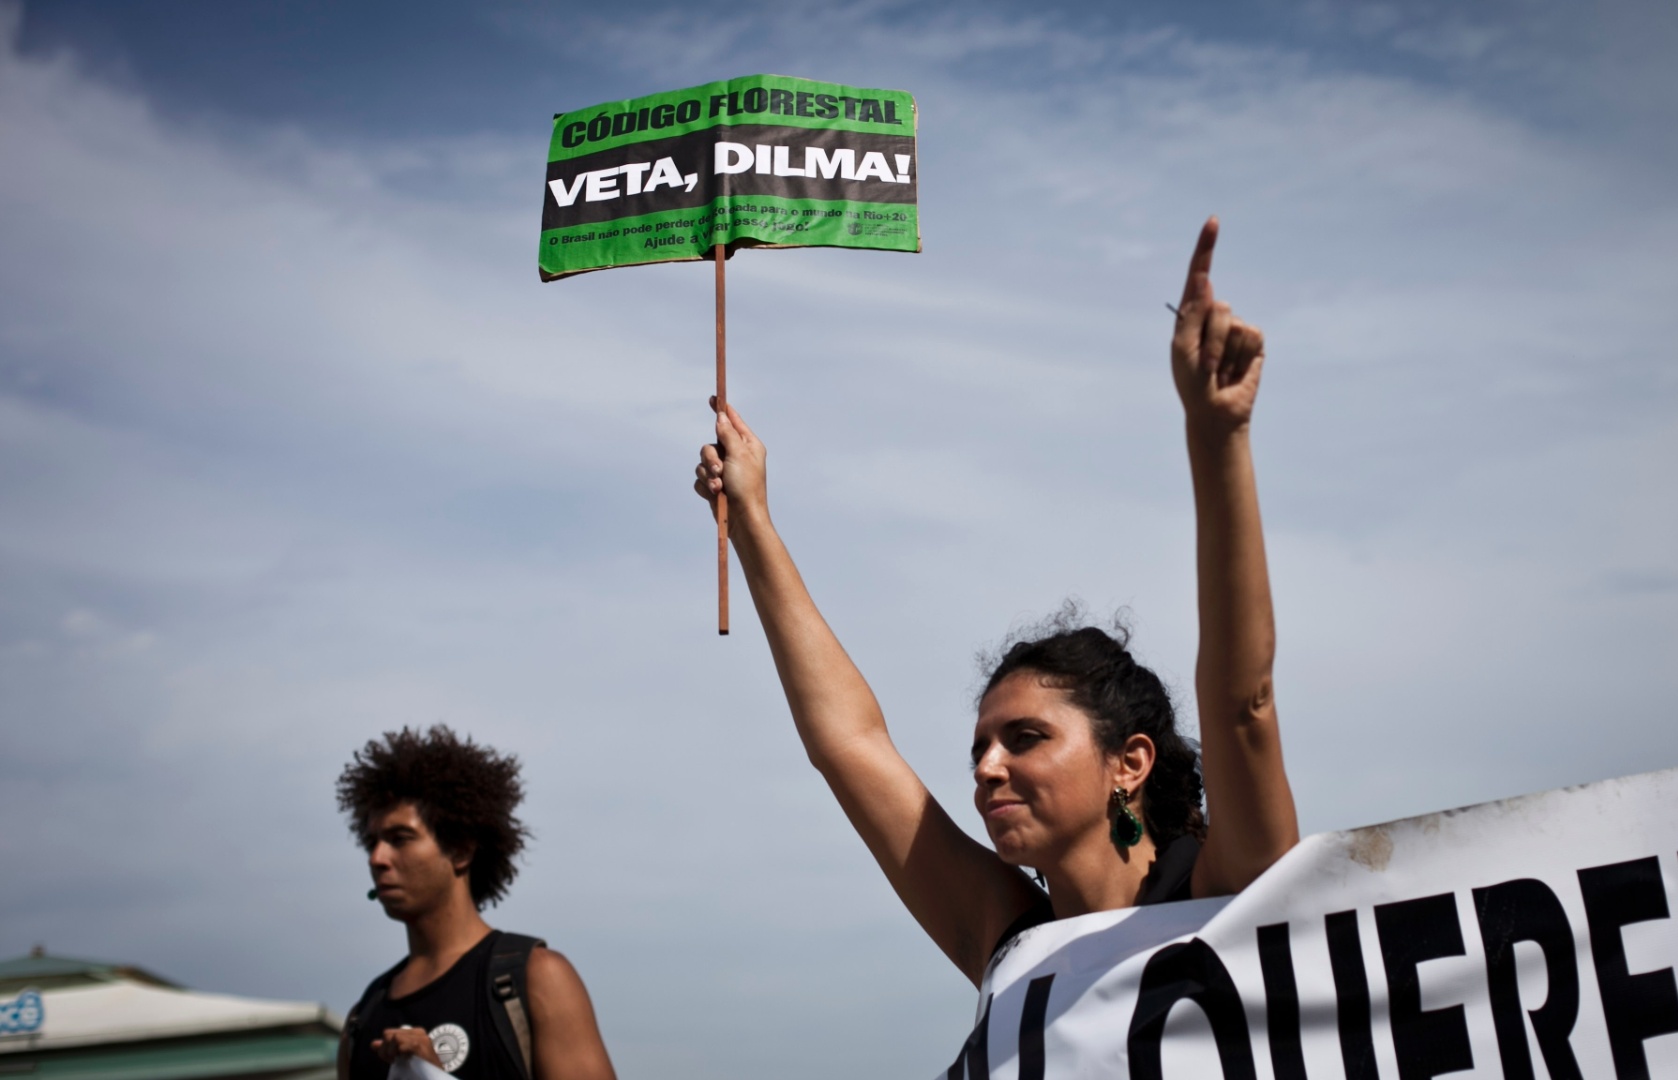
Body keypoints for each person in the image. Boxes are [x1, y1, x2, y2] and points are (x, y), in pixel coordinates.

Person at [692, 218, 1298, 986]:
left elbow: (1243, 704)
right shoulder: (1009, 942)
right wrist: (750, 522)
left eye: (1024, 738)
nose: (986, 768)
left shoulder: (1229, 896)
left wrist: (1217, 439)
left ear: (1130, 762)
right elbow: (850, 745)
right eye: (981, 747)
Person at [335, 725, 617, 1079]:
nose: (377, 858)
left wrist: (434, 1077)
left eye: (400, 838)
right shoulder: (362, 1021)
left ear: (461, 850)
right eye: (372, 841)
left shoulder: (535, 979)